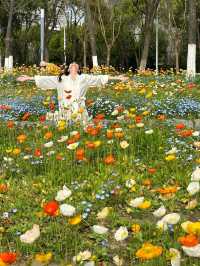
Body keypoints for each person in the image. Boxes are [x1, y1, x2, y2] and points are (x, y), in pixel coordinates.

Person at [17, 62, 128, 124]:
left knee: (80, 125)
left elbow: (100, 78)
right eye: (71, 66)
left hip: (80, 107)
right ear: (68, 69)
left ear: (79, 69)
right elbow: (44, 79)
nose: (73, 66)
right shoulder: (61, 78)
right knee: (65, 126)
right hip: (65, 107)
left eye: (76, 66)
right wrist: (28, 78)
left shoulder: (84, 78)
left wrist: (118, 78)